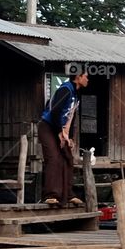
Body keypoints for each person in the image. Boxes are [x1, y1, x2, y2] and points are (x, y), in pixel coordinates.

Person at [39, 71, 89, 206]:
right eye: (86, 76)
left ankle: (68, 195)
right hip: (48, 127)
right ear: (78, 77)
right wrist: (59, 133)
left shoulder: (75, 94)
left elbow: (70, 117)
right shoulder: (65, 89)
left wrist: (70, 137)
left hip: (61, 129)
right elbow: (55, 111)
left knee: (68, 158)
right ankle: (50, 195)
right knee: (54, 158)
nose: (87, 79)